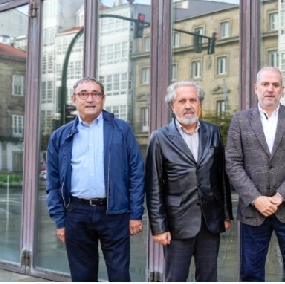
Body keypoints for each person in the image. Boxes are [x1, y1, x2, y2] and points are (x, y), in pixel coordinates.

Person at [46, 77, 145, 281]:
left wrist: (135, 214)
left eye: (95, 94)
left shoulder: (121, 129)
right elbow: (53, 182)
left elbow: (136, 173)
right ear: (74, 100)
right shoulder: (60, 136)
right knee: (82, 276)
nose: (90, 99)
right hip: (76, 214)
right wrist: (60, 220)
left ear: (103, 98)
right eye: (83, 94)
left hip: (115, 213)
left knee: (119, 275)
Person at [225, 67, 285, 282]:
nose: (270, 89)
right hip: (253, 211)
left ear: (282, 89)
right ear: (256, 88)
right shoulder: (240, 120)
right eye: (265, 84)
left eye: (275, 85)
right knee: (251, 272)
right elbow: (233, 163)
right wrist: (256, 199)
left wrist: (280, 196)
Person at [145, 81, 233, 282]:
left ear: (199, 104)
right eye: (182, 100)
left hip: (209, 221)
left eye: (193, 100)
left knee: (209, 277)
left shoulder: (213, 132)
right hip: (177, 223)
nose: (188, 105)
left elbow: (221, 176)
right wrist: (159, 227)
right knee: (176, 277)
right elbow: (154, 186)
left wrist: (226, 214)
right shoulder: (159, 138)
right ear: (172, 106)